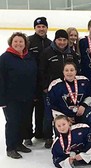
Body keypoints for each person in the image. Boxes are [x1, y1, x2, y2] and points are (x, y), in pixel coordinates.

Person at [39, 29, 80, 148]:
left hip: (67, 89)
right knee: (49, 113)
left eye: (64, 40)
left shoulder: (71, 53)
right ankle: (47, 137)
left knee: (63, 112)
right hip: (51, 89)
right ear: (55, 40)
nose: (62, 42)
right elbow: (41, 71)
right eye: (59, 40)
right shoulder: (47, 53)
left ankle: (62, 134)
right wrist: (45, 86)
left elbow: (77, 69)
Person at [0, 32, 37, 159]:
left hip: (27, 97)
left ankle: (19, 143)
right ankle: (11, 147)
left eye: (21, 41)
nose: (18, 44)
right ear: (11, 42)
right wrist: (2, 99)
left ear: (25, 43)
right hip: (11, 99)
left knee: (23, 121)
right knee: (13, 122)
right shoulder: (5, 58)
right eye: (16, 41)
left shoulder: (29, 57)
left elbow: (34, 76)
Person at [48, 61, 91, 133]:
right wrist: (64, 118)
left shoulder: (84, 80)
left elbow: (90, 95)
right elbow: (52, 106)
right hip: (65, 114)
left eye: (72, 70)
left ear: (76, 71)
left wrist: (84, 105)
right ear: (63, 72)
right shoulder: (55, 85)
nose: (69, 73)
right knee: (64, 133)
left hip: (82, 111)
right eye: (66, 70)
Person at [24, 17, 52, 146]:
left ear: (47, 28)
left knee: (41, 109)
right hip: (30, 82)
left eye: (43, 26)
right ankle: (27, 136)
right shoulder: (28, 41)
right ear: (35, 28)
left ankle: (39, 133)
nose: (41, 29)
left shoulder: (50, 43)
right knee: (28, 110)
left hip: (44, 82)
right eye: (38, 27)